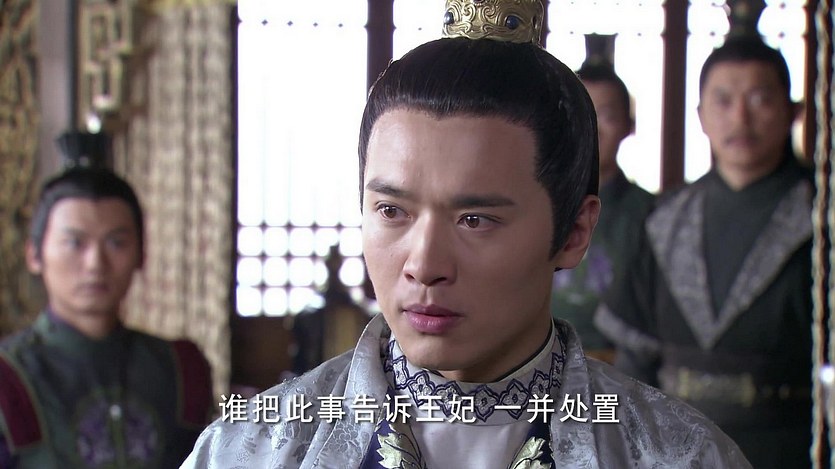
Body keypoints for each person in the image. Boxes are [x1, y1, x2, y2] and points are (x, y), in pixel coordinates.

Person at [183, 1, 750, 467]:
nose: (424, 264)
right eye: (391, 211)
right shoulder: (251, 448)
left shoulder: (678, 455)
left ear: (574, 232)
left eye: (474, 219)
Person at [594, 35, 814, 468]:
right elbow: (635, 358)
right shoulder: (666, 218)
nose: (740, 118)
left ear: (792, 111)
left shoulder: (820, 216)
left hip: (788, 444)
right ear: (701, 116)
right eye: (724, 100)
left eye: (759, 99)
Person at [0, 166, 214, 467]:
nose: (95, 263)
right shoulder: (8, 377)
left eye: (116, 242)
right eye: (75, 243)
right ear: (35, 255)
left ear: (141, 254)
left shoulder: (180, 368)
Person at [550, 59, 655, 363]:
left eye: (606, 115)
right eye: (581, 115)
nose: (592, 128)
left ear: (629, 126)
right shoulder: (534, 204)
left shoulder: (652, 214)